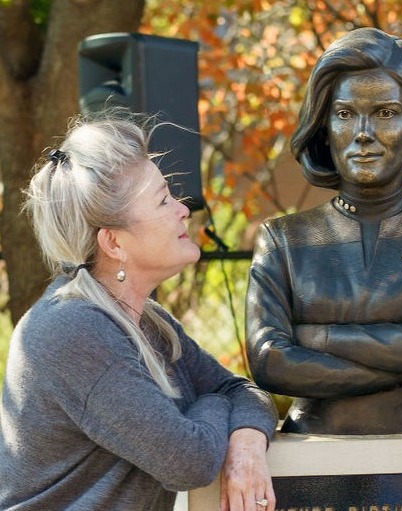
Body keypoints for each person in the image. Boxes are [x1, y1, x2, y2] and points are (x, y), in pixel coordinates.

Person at [0, 111, 278, 511]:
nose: (184, 210)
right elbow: (189, 461)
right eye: (164, 200)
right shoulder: (72, 330)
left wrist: (248, 442)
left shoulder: (148, 321)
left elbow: (240, 390)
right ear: (113, 243)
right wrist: (212, 405)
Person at [245, 27, 402, 436]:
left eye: (385, 112)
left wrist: (318, 336)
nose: (363, 132)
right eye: (345, 114)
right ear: (324, 127)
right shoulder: (283, 240)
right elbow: (270, 362)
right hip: (311, 454)